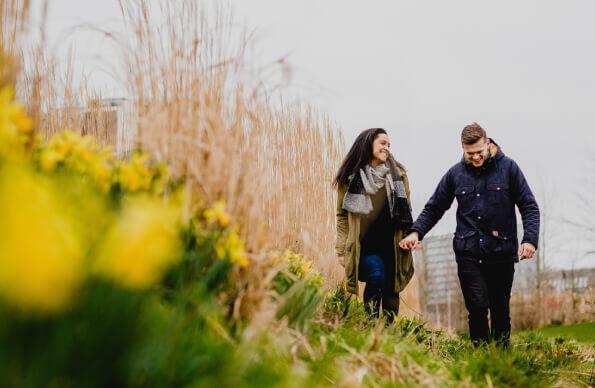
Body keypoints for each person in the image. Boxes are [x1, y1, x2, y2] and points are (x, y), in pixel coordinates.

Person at [399, 123, 540, 346]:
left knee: (500, 309)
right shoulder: (455, 174)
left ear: (487, 143)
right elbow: (434, 207)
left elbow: (529, 206)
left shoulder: (509, 168)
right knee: (476, 306)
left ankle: (501, 360)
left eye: (479, 152)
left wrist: (530, 240)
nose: (475, 157)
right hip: (468, 252)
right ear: (462, 148)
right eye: (469, 153)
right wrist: (416, 232)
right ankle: (480, 357)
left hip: (501, 251)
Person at [334, 128, 414, 320]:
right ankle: (368, 324)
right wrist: (341, 249)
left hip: (392, 245)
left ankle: (387, 337)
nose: (387, 148)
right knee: (376, 273)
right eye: (383, 143)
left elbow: (406, 212)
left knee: (391, 295)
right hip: (364, 247)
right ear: (369, 143)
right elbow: (342, 216)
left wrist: (410, 236)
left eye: (389, 144)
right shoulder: (350, 177)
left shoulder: (398, 175)